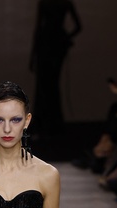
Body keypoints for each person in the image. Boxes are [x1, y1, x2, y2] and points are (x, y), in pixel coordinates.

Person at [29, 0, 82, 135]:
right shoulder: (65, 3)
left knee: (43, 86)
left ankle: (43, 125)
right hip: (57, 45)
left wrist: (32, 56)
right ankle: (53, 125)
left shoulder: (45, 3)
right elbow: (78, 26)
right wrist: (65, 37)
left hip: (45, 44)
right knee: (52, 85)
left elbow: (38, 28)